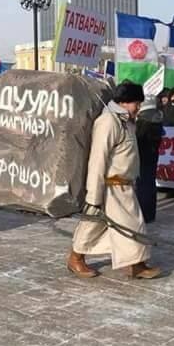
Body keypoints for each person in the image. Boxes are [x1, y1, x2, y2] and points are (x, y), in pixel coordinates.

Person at [68, 82, 161, 279]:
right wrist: (94, 195)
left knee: (132, 225)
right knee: (94, 223)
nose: (138, 108)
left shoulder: (127, 122)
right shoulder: (108, 122)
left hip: (125, 186)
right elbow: (98, 159)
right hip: (110, 187)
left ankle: (135, 264)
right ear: (124, 102)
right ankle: (76, 258)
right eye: (136, 103)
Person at [135, 96, 164, 223]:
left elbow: (138, 138)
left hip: (142, 155)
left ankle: (142, 212)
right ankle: (150, 213)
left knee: (142, 183)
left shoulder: (143, 121)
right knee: (150, 181)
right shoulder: (158, 118)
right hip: (153, 154)